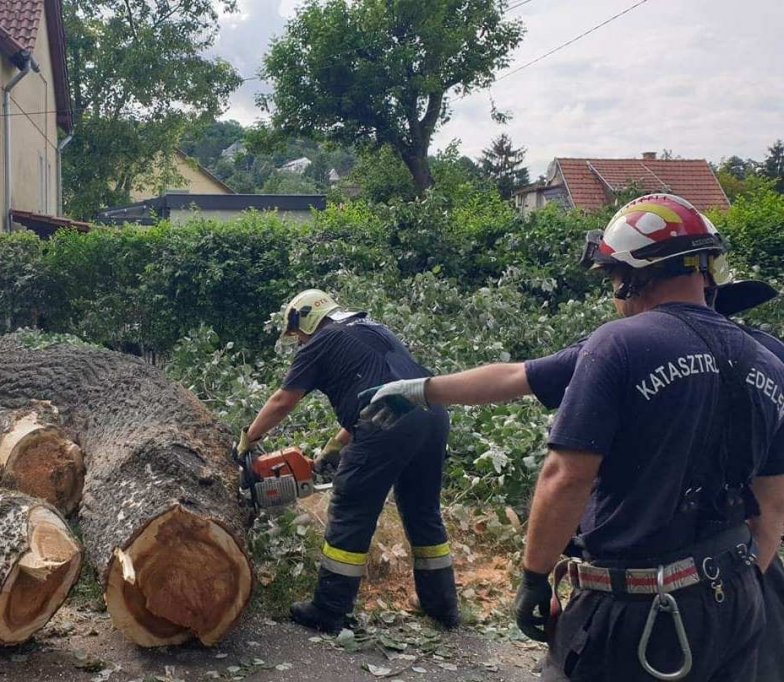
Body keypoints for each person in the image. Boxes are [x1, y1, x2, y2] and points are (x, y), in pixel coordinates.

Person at [363, 194, 784, 681]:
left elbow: (566, 477)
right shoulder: (768, 362)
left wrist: (534, 577)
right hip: (737, 600)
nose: (612, 291)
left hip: (637, 606)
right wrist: (422, 390)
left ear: (632, 273)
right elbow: (771, 507)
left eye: (610, 277)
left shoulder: (620, 343)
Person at [236, 289, 458, 634]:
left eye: (297, 334)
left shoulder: (321, 342)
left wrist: (249, 437)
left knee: (351, 507)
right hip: (431, 413)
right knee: (422, 510)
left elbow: (283, 399)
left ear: (306, 320)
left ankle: (328, 609)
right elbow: (381, 393)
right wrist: (333, 448)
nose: (299, 342)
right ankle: (443, 607)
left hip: (390, 424)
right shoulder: (373, 328)